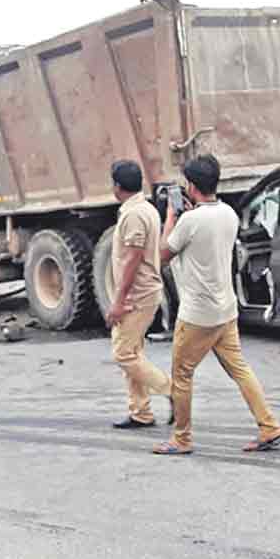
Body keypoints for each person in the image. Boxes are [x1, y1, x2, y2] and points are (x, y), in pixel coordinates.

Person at [152, 155, 280, 455]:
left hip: (197, 315)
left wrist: (171, 216)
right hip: (226, 310)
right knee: (240, 369)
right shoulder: (229, 214)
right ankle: (269, 426)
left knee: (182, 376)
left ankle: (181, 439)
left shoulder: (189, 221)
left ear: (191, 186)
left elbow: (162, 255)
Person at [104, 160, 172, 429]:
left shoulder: (133, 215)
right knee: (133, 351)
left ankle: (172, 390)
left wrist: (119, 301)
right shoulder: (146, 209)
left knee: (123, 354)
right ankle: (140, 412)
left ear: (117, 186)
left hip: (137, 294)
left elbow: (133, 259)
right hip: (143, 291)